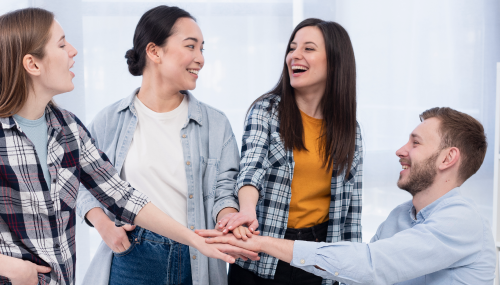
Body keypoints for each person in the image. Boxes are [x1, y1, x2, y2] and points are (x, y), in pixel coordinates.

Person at [0, 8, 257, 285]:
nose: (74, 51)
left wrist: (194, 239)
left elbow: (122, 196)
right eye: (62, 44)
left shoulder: (68, 128)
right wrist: (13, 268)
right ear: (33, 64)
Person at [199, 107, 496, 284]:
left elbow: (371, 265)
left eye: (415, 143)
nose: (400, 151)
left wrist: (262, 242)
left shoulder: (462, 222)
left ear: (448, 158)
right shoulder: (399, 218)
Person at [75, 5, 256, 285]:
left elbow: (224, 190)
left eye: (202, 49)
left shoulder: (216, 124)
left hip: (197, 257)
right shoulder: (109, 120)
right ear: (154, 51)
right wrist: (102, 224)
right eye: (190, 46)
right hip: (132, 256)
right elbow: (83, 183)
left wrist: (230, 220)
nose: (200, 59)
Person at [215, 18, 362, 285]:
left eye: (308, 48)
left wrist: (352, 273)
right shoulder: (267, 110)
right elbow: (251, 167)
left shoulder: (349, 129)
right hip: (262, 254)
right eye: (292, 48)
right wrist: (247, 210)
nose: (294, 55)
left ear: (336, 60)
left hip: (317, 258)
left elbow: (351, 211)